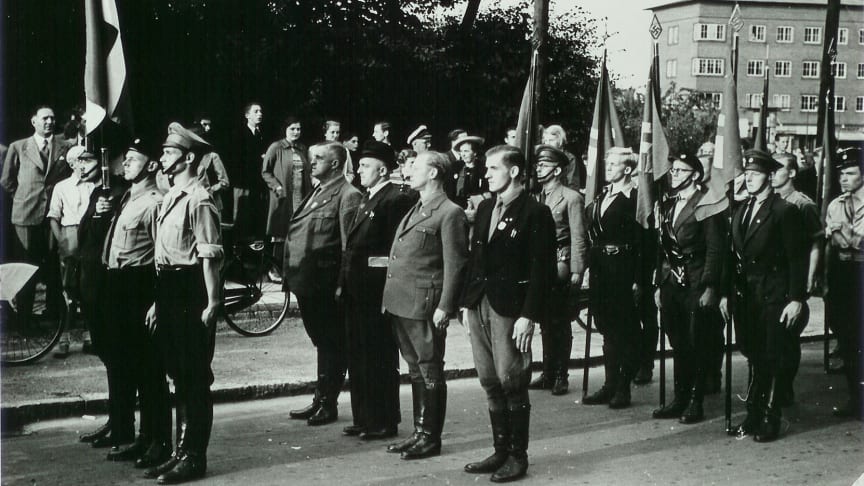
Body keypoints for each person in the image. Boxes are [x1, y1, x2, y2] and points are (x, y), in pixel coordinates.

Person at [459, 145, 555, 483]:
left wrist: (529, 315)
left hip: (511, 308)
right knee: (489, 380)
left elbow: (541, 268)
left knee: (511, 379)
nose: (486, 174)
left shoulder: (535, 212)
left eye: (493, 168)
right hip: (480, 303)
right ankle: (500, 450)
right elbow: (476, 259)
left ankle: (517, 456)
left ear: (513, 171)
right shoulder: (487, 207)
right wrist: (466, 303)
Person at [143, 123, 223, 483]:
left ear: (188, 158)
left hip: (191, 289)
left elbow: (209, 255)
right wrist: (158, 301)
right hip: (169, 287)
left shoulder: (199, 198)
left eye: (169, 152)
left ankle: (194, 457)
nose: (162, 158)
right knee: (177, 371)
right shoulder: (172, 195)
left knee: (194, 376)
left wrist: (213, 301)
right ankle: (180, 452)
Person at [382, 151, 468, 460]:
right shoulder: (417, 207)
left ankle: (431, 437)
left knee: (430, 368)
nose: (408, 171)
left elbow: (455, 264)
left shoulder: (449, 212)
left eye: (415, 166)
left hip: (425, 304)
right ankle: (420, 432)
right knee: (416, 368)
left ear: (433, 173)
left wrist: (446, 306)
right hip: (403, 301)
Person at [722, 149, 806, 442]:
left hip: (774, 294)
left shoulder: (784, 210)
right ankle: (753, 414)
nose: (749, 178)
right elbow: (733, 257)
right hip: (748, 296)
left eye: (755, 174)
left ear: (770, 176)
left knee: (773, 354)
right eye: (746, 174)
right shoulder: (742, 209)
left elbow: (797, 258)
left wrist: (796, 298)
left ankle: (771, 416)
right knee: (754, 354)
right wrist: (726, 294)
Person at [100, 138, 172, 468]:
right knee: (130, 363)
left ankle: (160, 441)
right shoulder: (129, 196)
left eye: (133, 158)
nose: (125, 163)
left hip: (139, 286)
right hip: (119, 285)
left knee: (150, 368)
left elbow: (161, 256)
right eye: (125, 158)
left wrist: (158, 300)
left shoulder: (155, 202)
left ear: (152, 165)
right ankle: (144, 437)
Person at [339, 141, 417, 441]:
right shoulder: (368, 197)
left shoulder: (394, 199)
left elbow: (395, 251)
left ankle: (383, 420)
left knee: (379, 357)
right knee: (359, 354)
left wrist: (379, 280)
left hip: (376, 292)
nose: (359, 170)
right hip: (357, 291)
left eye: (365, 166)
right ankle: (364, 417)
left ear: (382, 170)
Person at [283, 142, 362, 427]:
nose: (312, 162)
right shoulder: (318, 190)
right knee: (322, 342)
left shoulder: (348, 195)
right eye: (311, 157)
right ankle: (320, 398)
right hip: (308, 282)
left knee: (332, 342)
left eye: (319, 158)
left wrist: (342, 284)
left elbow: (348, 246)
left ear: (336, 164)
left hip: (326, 284)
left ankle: (328, 403)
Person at [651, 153, 726, 424]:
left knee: (697, 341)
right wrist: (659, 284)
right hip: (672, 281)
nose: (674, 175)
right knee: (678, 341)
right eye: (673, 171)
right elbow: (663, 248)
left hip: (696, 280)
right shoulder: (669, 203)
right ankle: (679, 397)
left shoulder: (706, 203)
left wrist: (710, 287)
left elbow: (715, 249)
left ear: (695, 175)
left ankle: (696, 400)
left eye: (681, 171)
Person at [583, 147, 645, 409]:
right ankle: (609, 384)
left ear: (628, 169)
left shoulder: (635, 199)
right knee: (606, 327)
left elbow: (643, 241)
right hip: (601, 269)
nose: (607, 168)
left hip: (623, 267)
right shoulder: (601, 196)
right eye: (607, 163)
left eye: (613, 164)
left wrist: (639, 278)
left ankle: (623, 387)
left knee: (625, 329)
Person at [1, 105, 72, 323]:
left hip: (53, 215)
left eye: (52, 118)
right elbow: (7, 180)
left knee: (52, 263)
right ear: (34, 121)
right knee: (26, 265)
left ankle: (53, 312)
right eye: (44, 118)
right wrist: (23, 197)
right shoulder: (18, 147)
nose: (49, 122)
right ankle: (24, 317)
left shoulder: (65, 147)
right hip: (25, 215)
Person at [527, 145, 586, 396]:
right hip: (540, 262)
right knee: (545, 320)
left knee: (559, 320)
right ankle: (548, 372)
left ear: (558, 170)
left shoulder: (571, 198)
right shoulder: (536, 197)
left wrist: (577, 270)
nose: (539, 169)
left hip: (561, 261)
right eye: (538, 164)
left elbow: (578, 236)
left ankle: (561, 374)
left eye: (544, 165)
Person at [772, 152, 821, 406]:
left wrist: (810, 277)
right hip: (772, 279)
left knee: (788, 338)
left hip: (793, 276)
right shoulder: (768, 201)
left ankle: (784, 388)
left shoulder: (803, 204)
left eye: (777, 168)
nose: (772, 173)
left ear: (791, 173)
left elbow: (816, 242)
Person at [824, 146, 864, 421]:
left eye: (850, 173)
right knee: (847, 338)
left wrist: (842, 233)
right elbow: (834, 244)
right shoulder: (835, 205)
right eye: (841, 174)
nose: (844, 179)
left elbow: (855, 242)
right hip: (843, 275)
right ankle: (856, 398)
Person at [47, 146, 98, 357]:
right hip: (70, 236)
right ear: (72, 164)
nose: (84, 164)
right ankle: (64, 338)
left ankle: (89, 336)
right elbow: (53, 217)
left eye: (87, 160)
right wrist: (61, 241)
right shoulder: (62, 187)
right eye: (80, 160)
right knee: (68, 289)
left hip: (90, 236)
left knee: (89, 287)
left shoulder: (95, 185)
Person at [262, 116, 312, 281]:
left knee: (297, 231)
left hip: (300, 194)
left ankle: (293, 268)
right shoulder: (276, 147)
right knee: (280, 233)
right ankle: (275, 269)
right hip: (283, 196)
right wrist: (276, 186)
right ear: (285, 130)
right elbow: (266, 171)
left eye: (298, 129)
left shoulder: (302, 148)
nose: (296, 132)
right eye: (292, 129)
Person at [230, 102, 267, 238]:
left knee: (255, 214)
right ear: (247, 115)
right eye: (256, 111)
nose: (260, 114)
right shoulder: (239, 134)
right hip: (243, 182)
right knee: (241, 215)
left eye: (260, 111)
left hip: (258, 182)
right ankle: (238, 245)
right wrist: (259, 158)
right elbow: (237, 159)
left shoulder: (262, 134)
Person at [190, 125, 230, 215]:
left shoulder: (212, 156)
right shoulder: (188, 158)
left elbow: (225, 182)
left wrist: (210, 190)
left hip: (212, 204)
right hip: (193, 206)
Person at [452, 135, 488, 209]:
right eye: (461, 151)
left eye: (466, 151)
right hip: (456, 206)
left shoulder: (483, 169)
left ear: (474, 153)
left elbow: (486, 191)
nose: (463, 154)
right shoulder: (455, 167)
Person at [542, 125, 582, 190]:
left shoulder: (570, 158)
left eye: (551, 140)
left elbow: (573, 185)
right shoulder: (543, 157)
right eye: (546, 141)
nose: (547, 144)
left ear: (560, 140)